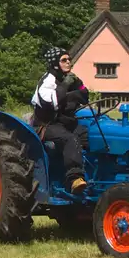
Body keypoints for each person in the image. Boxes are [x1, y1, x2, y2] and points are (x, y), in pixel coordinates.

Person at [30, 46, 88, 193]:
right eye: (64, 60)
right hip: (47, 125)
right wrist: (66, 87)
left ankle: (92, 174)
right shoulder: (47, 81)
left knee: (87, 136)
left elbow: (84, 95)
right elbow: (52, 103)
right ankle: (74, 178)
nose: (69, 62)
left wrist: (75, 88)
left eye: (69, 59)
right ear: (55, 63)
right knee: (70, 139)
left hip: (64, 123)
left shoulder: (70, 77)